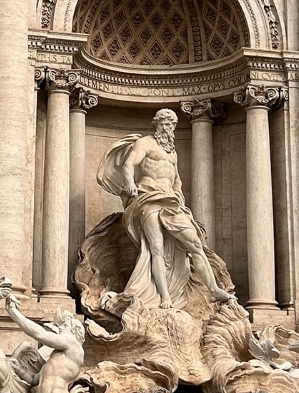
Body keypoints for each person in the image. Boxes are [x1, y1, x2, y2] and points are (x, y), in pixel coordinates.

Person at [97, 108, 234, 310]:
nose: (168, 127)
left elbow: (176, 180)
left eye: (172, 124)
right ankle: (165, 297)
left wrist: (179, 197)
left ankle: (213, 289)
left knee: (195, 243)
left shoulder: (172, 152)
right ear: (157, 124)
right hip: (148, 198)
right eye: (165, 123)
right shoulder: (145, 143)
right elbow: (128, 164)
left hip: (171, 202)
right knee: (157, 249)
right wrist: (130, 183)